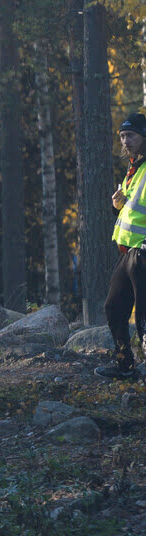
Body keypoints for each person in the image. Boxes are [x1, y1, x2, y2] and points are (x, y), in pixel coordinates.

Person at [97, 112, 146, 379]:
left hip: (144, 253)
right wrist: (119, 205)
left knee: (144, 319)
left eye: (131, 135)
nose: (126, 141)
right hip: (128, 253)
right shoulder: (133, 170)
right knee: (114, 308)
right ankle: (125, 366)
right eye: (123, 136)